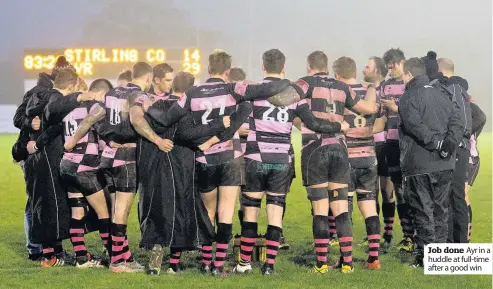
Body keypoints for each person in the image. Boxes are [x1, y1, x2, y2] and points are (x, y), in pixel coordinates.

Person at [140, 49, 296, 276]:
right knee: (226, 213)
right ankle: (218, 265)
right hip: (230, 158)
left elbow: (166, 119)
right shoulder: (233, 89)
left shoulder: (193, 93)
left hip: (205, 159)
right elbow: (267, 89)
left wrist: (147, 105)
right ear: (227, 71)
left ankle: (205, 262)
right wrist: (291, 82)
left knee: (208, 212)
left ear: (208, 69)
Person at [233, 49, 345, 275]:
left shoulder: (254, 93)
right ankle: (269, 266)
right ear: (283, 67)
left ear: (263, 67)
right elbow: (313, 123)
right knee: (275, 212)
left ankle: (244, 264)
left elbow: (238, 121)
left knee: (251, 211)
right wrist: (338, 127)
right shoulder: (294, 96)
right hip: (282, 160)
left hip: (256, 158)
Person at [66, 62, 169, 273]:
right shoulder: (139, 95)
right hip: (126, 158)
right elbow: (137, 120)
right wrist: (158, 140)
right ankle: (117, 263)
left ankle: (124, 257)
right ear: (149, 78)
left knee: (115, 211)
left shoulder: (111, 93)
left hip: (108, 159)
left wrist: (71, 141)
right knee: (121, 212)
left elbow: (90, 119)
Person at [295, 51, 377, 274]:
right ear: (328, 67)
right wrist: (372, 90)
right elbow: (368, 109)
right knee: (341, 209)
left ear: (309, 65)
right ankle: (348, 264)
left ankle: (321, 264)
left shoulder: (305, 83)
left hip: (314, 149)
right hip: (340, 150)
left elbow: (285, 101)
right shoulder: (342, 88)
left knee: (320, 210)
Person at [140, 71, 228, 275]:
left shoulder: (157, 106)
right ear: (190, 90)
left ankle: (155, 263)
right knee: (181, 211)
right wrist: (217, 132)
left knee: (159, 211)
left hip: (157, 165)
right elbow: (196, 138)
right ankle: (173, 263)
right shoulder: (188, 111)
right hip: (183, 165)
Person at [398, 57, 463, 267]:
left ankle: (425, 258)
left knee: (423, 210)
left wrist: (436, 143)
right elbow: (458, 121)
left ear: (408, 74)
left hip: (420, 162)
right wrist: (448, 145)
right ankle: (440, 258)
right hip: (445, 162)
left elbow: (413, 125)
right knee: (441, 210)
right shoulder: (443, 92)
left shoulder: (408, 96)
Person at [44, 78, 111, 268]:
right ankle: (115, 256)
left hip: (67, 165)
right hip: (86, 166)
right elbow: (103, 138)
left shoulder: (68, 109)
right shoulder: (95, 107)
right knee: (103, 214)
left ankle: (81, 258)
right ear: (101, 93)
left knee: (78, 211)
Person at [13, 56, 74, 261]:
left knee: (44, 199)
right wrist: (31, 122)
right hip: (34, 153)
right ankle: (36, 248)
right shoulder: (37, 92)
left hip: (45, 152)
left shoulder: (50, 92)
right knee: (37, 201)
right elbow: (17, 119)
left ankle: (48, 247)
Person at [24, 68, 80, 267]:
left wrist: (30, 123)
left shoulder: (37, 96)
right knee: (53, 205)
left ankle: (53, 253)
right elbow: (56, 126)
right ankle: (51, 257)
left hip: (36, 160)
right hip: (49, 157)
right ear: (72, 86)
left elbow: (20, 119)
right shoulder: (56, 101)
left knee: (45, 205)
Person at [333, 56, 382, 270]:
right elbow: (381, 120)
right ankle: (373, 259)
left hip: (347, 157)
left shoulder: (338, 94)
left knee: (345, 208)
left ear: (337, 74)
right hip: (369, 156)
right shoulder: (369, 92)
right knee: (370, 206)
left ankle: (346, 260)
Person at [380, 48, 413, 252]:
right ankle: (408, 237)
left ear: (401, 62)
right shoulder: (385, 85)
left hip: (408, 143)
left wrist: (396, 107)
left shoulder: (410, 83)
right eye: (387, 65)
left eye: (392, 64)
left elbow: (415, 111)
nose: (390, 68)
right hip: (391, 143)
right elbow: (382, 115)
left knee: (413, 191)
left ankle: (420, 234)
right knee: (399, 191)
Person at [363, 56, 394, 251]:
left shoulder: (387, 89)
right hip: (368, 144)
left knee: (386, 190)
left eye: (367, 67)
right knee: (370, 191)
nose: (363, 69)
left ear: (377, 71)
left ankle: (388, 234)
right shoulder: (366, 90)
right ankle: (373, 235)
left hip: (384, 145)